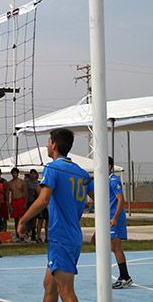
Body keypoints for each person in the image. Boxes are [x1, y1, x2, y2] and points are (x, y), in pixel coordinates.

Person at [18, 128, 94, 302]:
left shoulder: (53, 168)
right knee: (49, 285)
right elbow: (99, 197)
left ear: (54, 144)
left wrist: (23, 220)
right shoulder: (80, 172)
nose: (46, 145)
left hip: (61, 236)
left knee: (66, 291)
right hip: (71, 235)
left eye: (48, 141)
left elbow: (43, 200)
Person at [91, 156, 132, 289]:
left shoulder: (113, 180)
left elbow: (121, 199)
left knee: (115, 247)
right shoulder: (104, 181)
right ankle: (124, 276)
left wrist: (114, 217)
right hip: (107, 218)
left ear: (109, 166)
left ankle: (125, 277)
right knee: (104, 245)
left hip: (115, 218)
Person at [8, 167, 27, 241]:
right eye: (13, 173)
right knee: (16, 219)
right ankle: (17, 234)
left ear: (17, 174)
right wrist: (9, 205)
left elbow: (25, 193)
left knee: (22, 218)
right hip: (14, 201)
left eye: (15, 173)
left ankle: (23, 234)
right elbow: (8, 194)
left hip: (21, 200)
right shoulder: (10, 183)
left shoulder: (22, 182)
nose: (14, 175)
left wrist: (25, 203)